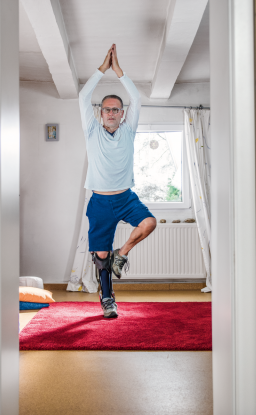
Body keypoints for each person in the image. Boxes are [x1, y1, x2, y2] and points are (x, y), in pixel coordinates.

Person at [79, 44, 157, 318]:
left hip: (125, 198)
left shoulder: (128, 130)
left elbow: (136, 97)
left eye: (116, 109)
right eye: (107, 109)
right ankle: (107, 299)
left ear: (123, 114)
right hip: (100, 201)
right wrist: (103, 69)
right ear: (100, 113)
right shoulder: (91, 131)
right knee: (100, 257)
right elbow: (83, 95)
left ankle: (121, 255)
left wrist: (119, 71)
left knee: (149, 223)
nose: (111, 113)